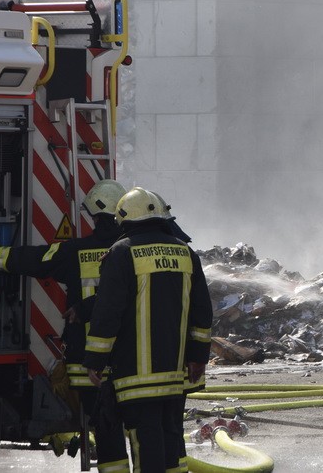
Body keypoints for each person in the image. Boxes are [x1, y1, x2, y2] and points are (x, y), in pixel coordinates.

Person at [0, 179, 129, 465]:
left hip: (88, 363)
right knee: (142, 432)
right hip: (131, 362)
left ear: (95, 217)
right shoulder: (132, 253)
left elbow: (33, 259)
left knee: (106, 431)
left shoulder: (75, 252)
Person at [83, 187, 213, 473]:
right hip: (176, 375)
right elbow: (202, 311)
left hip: (136, 377)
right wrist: (198, 357)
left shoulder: (121, 252)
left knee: (146, 443)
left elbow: (107, 314)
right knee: (171, 441)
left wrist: (95, 360)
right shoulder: (186, 252)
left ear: (125, 220)